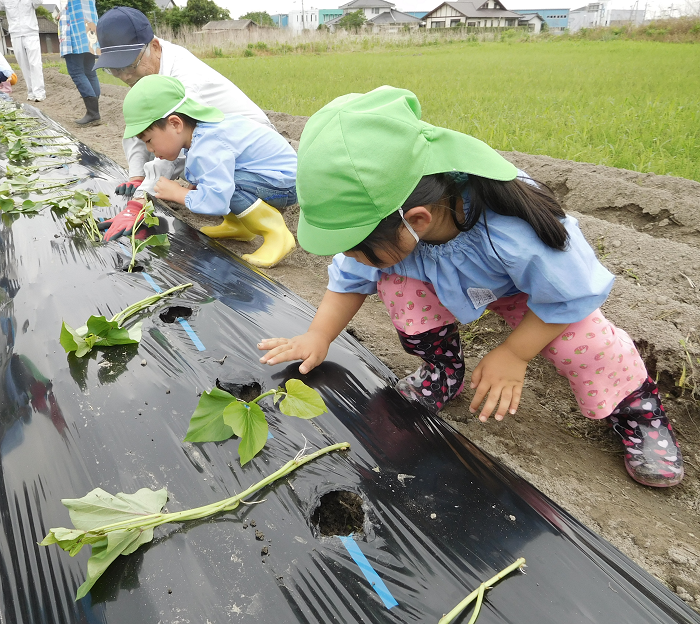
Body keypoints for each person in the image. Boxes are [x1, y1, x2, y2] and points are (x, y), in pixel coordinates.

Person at [257, 86, 684, 489]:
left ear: (417, 220)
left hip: (535, 294)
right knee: (394, 282)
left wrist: (513, 353)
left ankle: (639, 413)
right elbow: (351, 280)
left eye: (355, 249)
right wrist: (319, 334)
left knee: (584, 345)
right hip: (441, 274)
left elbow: (569, 294)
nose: (349, 258)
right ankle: (444, 370)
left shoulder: (516, 230)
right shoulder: (399, 226)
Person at [94, 7, 295, 267]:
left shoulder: (185, 85)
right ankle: (240, 225)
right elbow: (143, 126)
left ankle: (275, 233)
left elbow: (170, 155)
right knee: (200, 175)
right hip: (219, 144)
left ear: (154, 46)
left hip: (258, 159)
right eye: (115, 70)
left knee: (215, 182)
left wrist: (140, 201)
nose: (125, 76)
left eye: (129, 66)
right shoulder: (167, 101)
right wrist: (137, 175)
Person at [108, 74, 297, 269]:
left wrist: (180, 193)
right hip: (268, 175)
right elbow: (177, 168)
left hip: (283, 183)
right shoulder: (198, 134)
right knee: (212, 177)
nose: (149, 149)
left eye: (149, 141)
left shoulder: (208, 145)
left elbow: (217, 197)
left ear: (175, 124)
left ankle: (277, 234)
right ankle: (241, 226)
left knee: (225, 186)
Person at [57, 0, 101, 125]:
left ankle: (93, 113)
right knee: (89, 72)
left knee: (76, 72)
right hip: (89, 27)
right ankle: (94, 111)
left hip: (74, 27)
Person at [0, 0, 46, 101]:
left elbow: (38, 2)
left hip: (31, 32)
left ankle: (39, 92)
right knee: (23, 64)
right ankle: (31, 92)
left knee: (35, 63)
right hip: (15, 33)